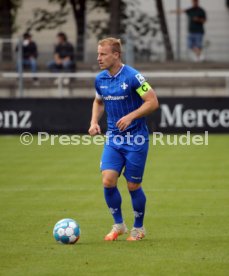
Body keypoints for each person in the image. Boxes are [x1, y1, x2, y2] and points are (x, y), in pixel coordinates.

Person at [88, 38, 159, 241]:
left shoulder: (133, 77)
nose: (98, 58)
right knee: (108, 181)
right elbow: (98, 101)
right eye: (98, 54)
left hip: (136, 139)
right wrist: (94, 122)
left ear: (116, 55)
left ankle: (139, 228)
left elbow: (153, 102)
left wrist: (131, 116)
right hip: (113, 139)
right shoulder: (100, 79)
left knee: (132, 186)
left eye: (103, 54)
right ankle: (119, 225)